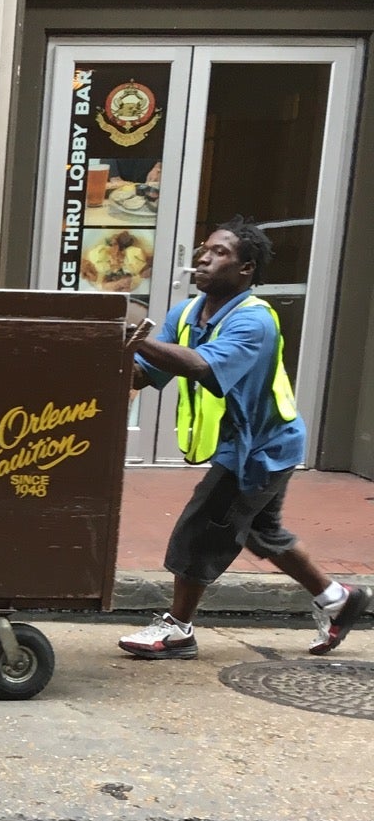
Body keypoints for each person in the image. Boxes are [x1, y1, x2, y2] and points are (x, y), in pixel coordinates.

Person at [119, 215, 368, 660]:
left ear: (246, 269)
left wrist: (136, 339)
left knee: (201, 529)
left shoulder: (255, 321)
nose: (203, 257)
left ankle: (178, 629)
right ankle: (338, 599)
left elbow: (204, 368)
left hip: (261, 448)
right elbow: (148, 371)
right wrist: (110, 362)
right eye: (203, 249)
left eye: (219, 253)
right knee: (259, 532)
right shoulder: (188, 313)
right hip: (250, 442)